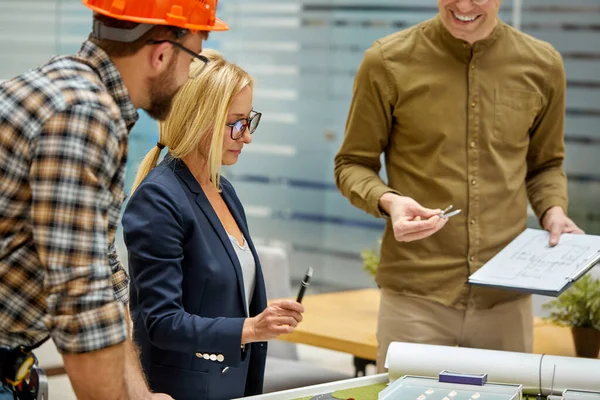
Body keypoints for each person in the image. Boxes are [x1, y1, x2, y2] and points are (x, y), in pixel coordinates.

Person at [334, 0, 584, 372]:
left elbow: (545, 165)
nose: (464, 5)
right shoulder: (386, 61)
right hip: (416, 300)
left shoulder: (543, 64)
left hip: (506, 302)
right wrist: (389, 200)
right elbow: (352, 164)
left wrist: (553, 210)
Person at [0, 1, 228, 399]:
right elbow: (81, 301)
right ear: (161, 54)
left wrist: (141, 395)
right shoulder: (83, 114)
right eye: (194, 59)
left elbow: (103, 278)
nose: (190, 78)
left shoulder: (66, 87)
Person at [121, 51, 305, 400]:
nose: (246, 136)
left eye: (249, 121)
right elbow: (162, 322)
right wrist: (250, 328)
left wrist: (262, 315)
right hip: (181, 389)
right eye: (236, 123)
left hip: (231, 382)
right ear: (200, 118)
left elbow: (219, 292)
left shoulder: (222, 190)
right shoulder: (158, 198)